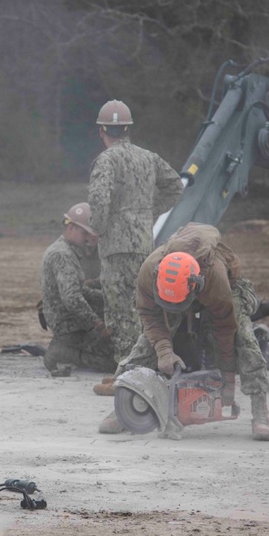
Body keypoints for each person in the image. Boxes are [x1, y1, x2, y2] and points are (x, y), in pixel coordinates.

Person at [97, 222, 269, 441]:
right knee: (146, 343)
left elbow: (225, 330)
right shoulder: (149, 269)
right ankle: (127, 402)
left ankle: (260, 410)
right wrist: (164, 351)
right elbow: (150, 316)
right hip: (176, 292)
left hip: (224, 290)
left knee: (245, 338)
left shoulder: (215, 278)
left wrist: (227, 379)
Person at [88, 100, 183, 365]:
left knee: (120, 312)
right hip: (144, 245)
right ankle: (146, 367)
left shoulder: (105, 161)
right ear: (128, 129)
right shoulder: (149, 157)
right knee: (144, 308)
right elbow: (176, 186)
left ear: (102, 131)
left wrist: (99, 228)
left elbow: (99, 200)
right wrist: (149, 213)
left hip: (115, 248)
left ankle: (125, 373)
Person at [39, 202, 116, 374]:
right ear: (71, 227)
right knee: (114, 361)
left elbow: (81, 291)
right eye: (85, 234)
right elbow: (72, 299)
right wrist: (98, 326)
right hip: (71, 327)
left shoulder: (68, 250)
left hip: (72, 323)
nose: (89, 240)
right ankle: (64, 352)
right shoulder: (62, 255)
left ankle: (67, 347)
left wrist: (107, 297)